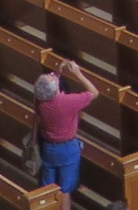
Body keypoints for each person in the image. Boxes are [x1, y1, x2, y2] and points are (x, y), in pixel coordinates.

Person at [33, 61, 98, 193]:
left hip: (48, 147)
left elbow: (48, 87)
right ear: (56, 88)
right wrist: (78, 73)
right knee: (65, 190)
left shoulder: (39, 101)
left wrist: (59, 72)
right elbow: (94, 92)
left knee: (47, 190)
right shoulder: (67, 102)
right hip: (67, 148)